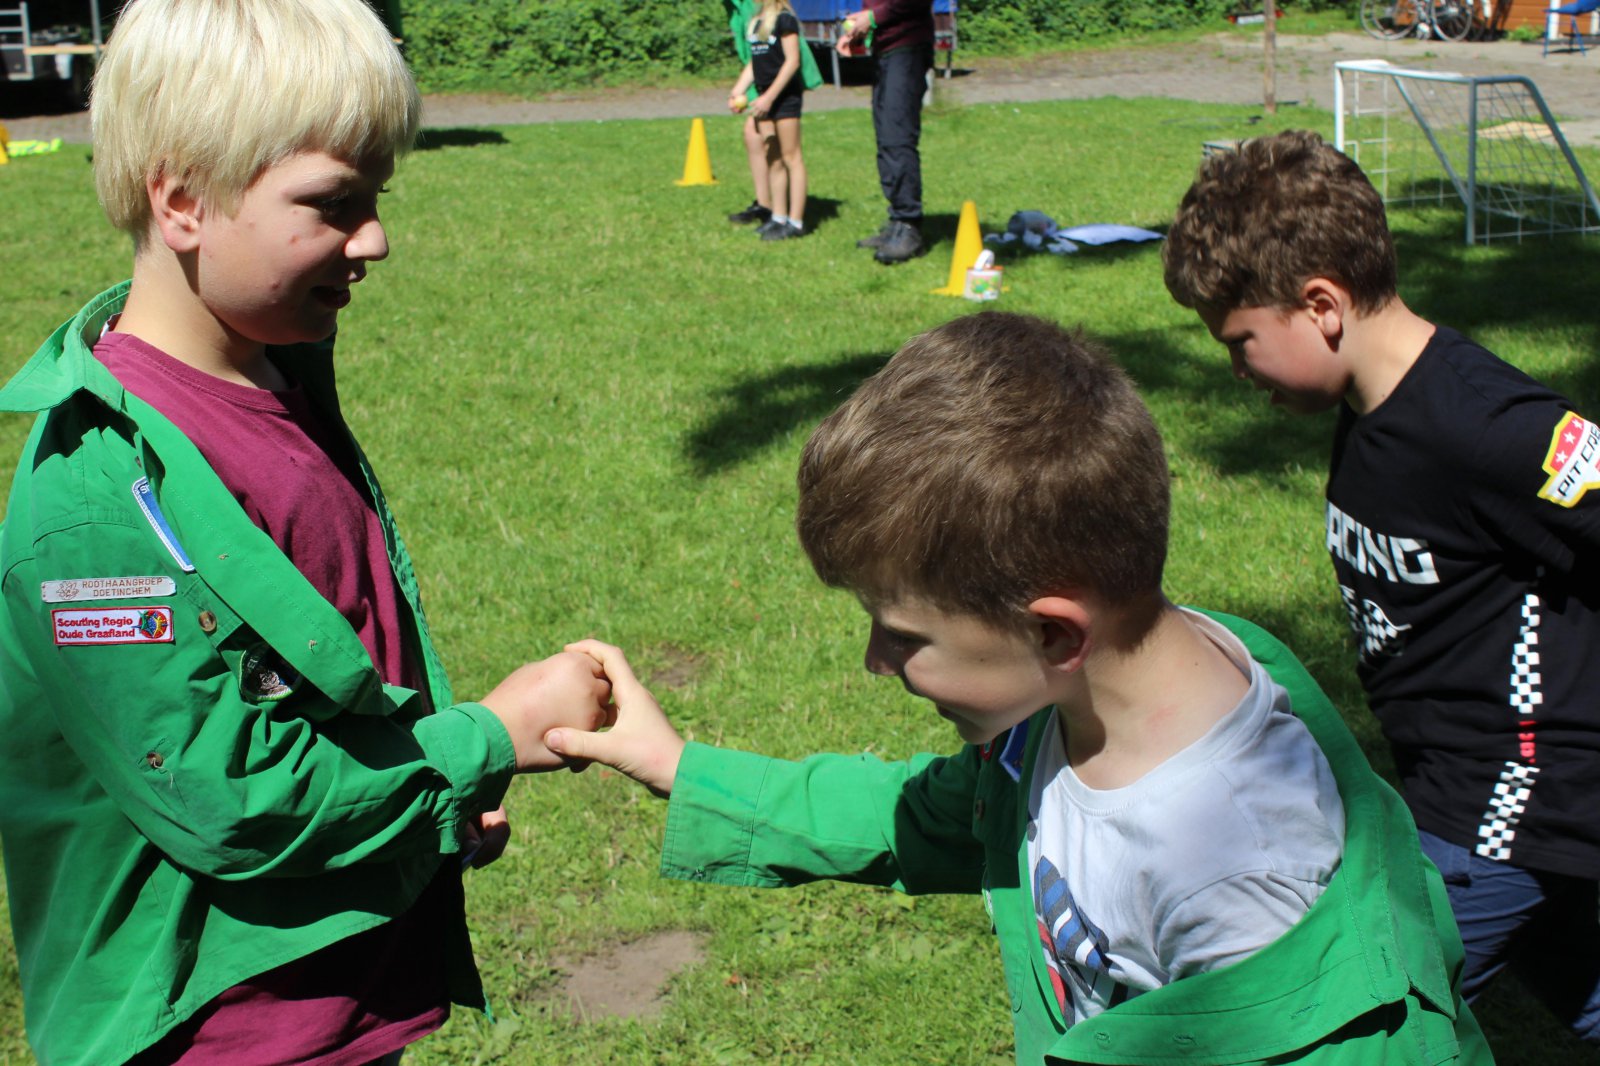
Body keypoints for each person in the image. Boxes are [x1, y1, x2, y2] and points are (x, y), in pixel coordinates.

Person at [545, 312, 1490, 1063]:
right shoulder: (1076, 706)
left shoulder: (1239, 881)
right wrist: (683, 769)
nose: (877, 662)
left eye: (902, 634)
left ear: (1051, 632)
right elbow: (924, 816)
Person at [0, 1, 613, 1063]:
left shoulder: (271, 374)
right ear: (184, 202)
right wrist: (483, 740)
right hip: (212, 1029)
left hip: (336, 998)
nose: (373, 238)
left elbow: (311, 681)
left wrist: (425, 798)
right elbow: (228, 797)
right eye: (332, 205)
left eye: (374, 198)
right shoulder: (100, 500)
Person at [1163, 128, 1600, 1044]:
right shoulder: (1371, 408)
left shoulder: (1482, 424)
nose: (1237, 374)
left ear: (1321, 305)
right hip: (1458, 793)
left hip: (1504, 816)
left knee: (1358, 1022)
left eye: (1242, 343)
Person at [838, 0, 933, 264]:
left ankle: (909, 225)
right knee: (886, 139)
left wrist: (873, 16)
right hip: (886, 51)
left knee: (897, 138)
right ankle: (897, 221)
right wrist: (859, 32)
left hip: (908, 48)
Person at [723, 0, 823, 232]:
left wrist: (769, 97)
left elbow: (792, 61)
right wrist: (738, 90)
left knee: (791, 156)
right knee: (772, 155)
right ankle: (777, 218)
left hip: (783, 98)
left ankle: (795, 221)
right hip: (762, 99)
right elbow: (754, 63)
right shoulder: (755, 21)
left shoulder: (784, 19)